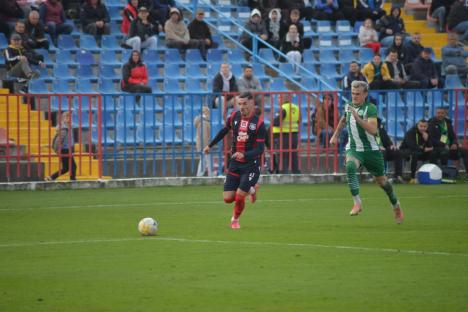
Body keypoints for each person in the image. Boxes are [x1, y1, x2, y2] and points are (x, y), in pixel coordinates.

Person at [329, 80, 404, 224]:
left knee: (382, 183)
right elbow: (344, 119)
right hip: (354, 148)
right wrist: (336, 135)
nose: (354, 96)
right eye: (352, 93)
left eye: (357, 94)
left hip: (371, 151)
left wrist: (357, 118)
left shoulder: (370, 109)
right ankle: (357, 202)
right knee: (350, 166)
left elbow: (373, 130)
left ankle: (396, 205)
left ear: (365, 94)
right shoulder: (348, 106)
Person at [203, 92, 266, 229]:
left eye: (244, 104)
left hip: (251, 165)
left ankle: (235, 219)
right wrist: (210, 145)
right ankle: (252, 189)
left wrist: (244, 155)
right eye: (240, 104)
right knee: (227, 198)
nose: (242, 107)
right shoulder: (233, 117)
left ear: (251, 103)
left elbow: (260, 149)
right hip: (235, 163)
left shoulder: (259, 124)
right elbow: (224, 131)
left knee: (239, 196)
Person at [428, 107, 468, 175]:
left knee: (465, 152)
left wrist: (455, 144)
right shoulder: (431, 123)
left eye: (442, 113)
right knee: (444, 152)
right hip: (437, 148)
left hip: (449, 146)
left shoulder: (448, 122)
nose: (440, 115)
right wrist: (444, 145)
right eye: (438, 113)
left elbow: (453, 137)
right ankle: (444, 174)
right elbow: (432, 139)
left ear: (445, 114)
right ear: (435, 113)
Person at [399, 119, 437, 184]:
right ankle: (412, 177)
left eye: (425, 127)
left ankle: (432, 175)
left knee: (433, 153)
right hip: (406, 150)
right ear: (417, 125)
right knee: (415, 153)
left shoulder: (427, 132)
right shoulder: (410, 132)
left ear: (427, 127)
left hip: (420, 150)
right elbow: (412, 146)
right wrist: (424, 149)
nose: (423, 128)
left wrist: (427, 139)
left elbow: (431, 146)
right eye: (421, 126)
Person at [272, 94, 300, 174]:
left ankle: (283, 173)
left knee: (282, 155)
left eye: (279, 98)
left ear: (284, 98)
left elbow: (275, 122)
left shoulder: (283, 108)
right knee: (293, 155)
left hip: (283, 135)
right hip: (294, 135)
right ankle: (296, 173)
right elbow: (298, 120)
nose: (278, 100)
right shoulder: (296, 107)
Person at [45, 111, 77, 181]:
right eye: (67, 117)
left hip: (67, 149)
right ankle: (73, 180)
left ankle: (51, 177)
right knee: (73, 167)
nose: (69, 119)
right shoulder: (64, 128)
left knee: (66, 168)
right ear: (63, 118)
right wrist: (58, 149)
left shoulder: (69, 127)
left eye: (70, 117)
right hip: (65, 150)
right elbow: (59, 140)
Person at [377, 118, 404, 183]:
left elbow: (388, 141)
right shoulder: (366, 131)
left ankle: (398, 176)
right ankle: (382, 176)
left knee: (397, 152)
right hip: (371, 151)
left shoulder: (382, 131)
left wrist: (392, 145)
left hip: (384, 151)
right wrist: (377, 147)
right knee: (382, 152)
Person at [194, 106, 212, 177]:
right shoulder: (204, 122)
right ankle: (210, 175)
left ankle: (200, 176)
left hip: (202, 145)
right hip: (204, 145)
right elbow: (204, 136)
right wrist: (207, 146)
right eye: (208, 112)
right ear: (205, 112)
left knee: (204, 161)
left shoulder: (202, 121)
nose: (209, 113)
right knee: (206, 161)